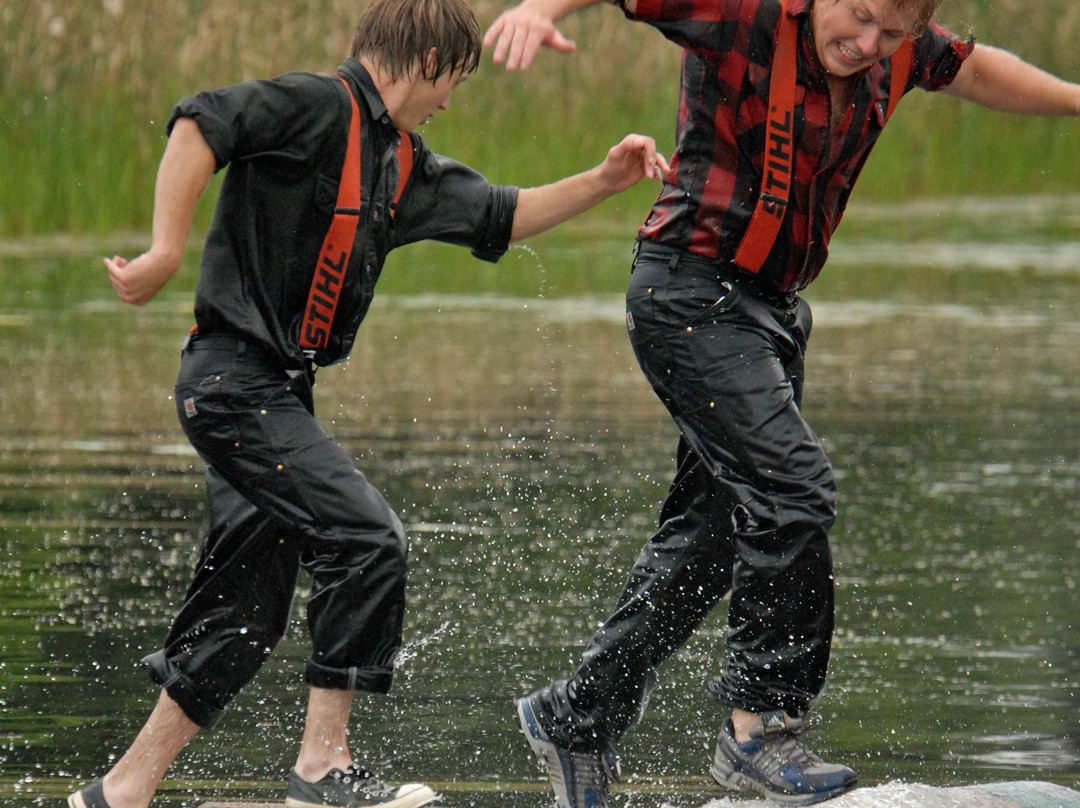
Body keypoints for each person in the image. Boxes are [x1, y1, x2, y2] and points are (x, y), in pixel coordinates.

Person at [66, 1, 669, 807]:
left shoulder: (399, 164)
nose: (450, 101)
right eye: (452, 81)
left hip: (274, 395)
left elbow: (500, 212)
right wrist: (166, 248)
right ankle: (322, 769)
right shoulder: (314, 106)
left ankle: (121, 792)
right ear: (424, 62)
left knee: (243, 614)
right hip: (232, 382)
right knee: (368, 538)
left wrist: (603, 180)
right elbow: (199, 126)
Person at [483, 0, 1080, 804]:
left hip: (770, 314)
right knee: (794, 491)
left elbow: (972, 67)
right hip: (689, 294)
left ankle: (576, 717)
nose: (866, 45)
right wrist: (539, 8)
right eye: (859, 18)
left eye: (890, 36)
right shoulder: (745, 13)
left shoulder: (901, 50)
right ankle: (760, 728)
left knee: (715, 539)